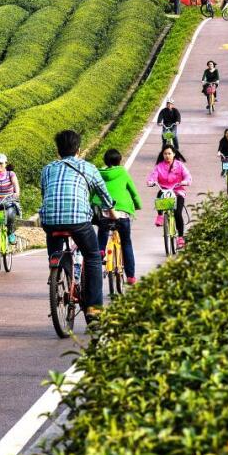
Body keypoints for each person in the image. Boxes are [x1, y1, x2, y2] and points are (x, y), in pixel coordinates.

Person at [39, 130, 114, 318]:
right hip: (78, 221)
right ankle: (94, 310)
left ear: (58, 152)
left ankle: (58, 271)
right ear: (79, 149)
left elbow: (45, 192)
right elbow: (104, 195)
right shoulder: (88, 167)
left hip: (49, 220)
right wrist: (111, 212)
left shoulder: (47, 169)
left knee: (56, 251)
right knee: (93, 257)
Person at [97, 149, 140, 284]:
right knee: (126, 242)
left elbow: (93, 192)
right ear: (119, 160)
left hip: (105, 212)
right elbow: (133, 191)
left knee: (103, 230)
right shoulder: (122, 173)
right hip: (122, 213)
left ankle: (101, 250)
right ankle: (131, 276)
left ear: (105, 161)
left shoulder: (99, 174)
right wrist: (137, 205)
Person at [148, 145, 191, 246]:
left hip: (177, 191)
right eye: (165, 154)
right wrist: (151, 182)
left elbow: (187, 176)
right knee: (160, 193)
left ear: (174, 154)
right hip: (165, 189)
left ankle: (180, 237)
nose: (167, 156)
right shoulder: (159, 166)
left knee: (177, 213)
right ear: (162, 155)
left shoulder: (180, 165)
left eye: (169, 153)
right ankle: (160, 215)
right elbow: (153, 176)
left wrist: (185, 181)